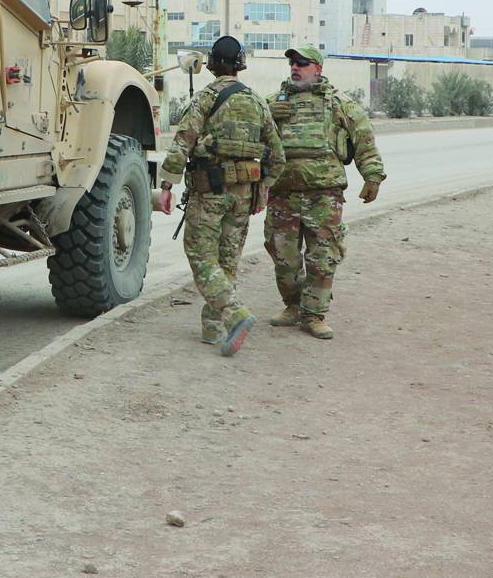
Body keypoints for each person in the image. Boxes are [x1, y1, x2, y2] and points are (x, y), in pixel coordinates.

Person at [157, 35, 285, 356]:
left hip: (209, 191)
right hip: (244, 197)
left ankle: (234, 314)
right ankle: (213, 327)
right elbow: (278, 156)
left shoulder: (205, 99)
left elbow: (182, 141)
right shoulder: (258, 103)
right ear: (240, 64)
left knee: (201, 256)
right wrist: (264, 189)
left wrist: (167, 185)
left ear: (213, 64)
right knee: (227, 260)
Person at [263, 44, 385, 339]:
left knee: (323, 256)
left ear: (318, 68)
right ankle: (293, 305)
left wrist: (372, 175)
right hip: (283, 193)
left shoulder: (338, 104)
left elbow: (363, 138)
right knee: (284, 255)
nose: (295, 67)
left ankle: (314, 314)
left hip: (324, 195)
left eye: (302, 63)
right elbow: (246, 134)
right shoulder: (272, 103)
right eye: (292, 62)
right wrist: (267, 115)